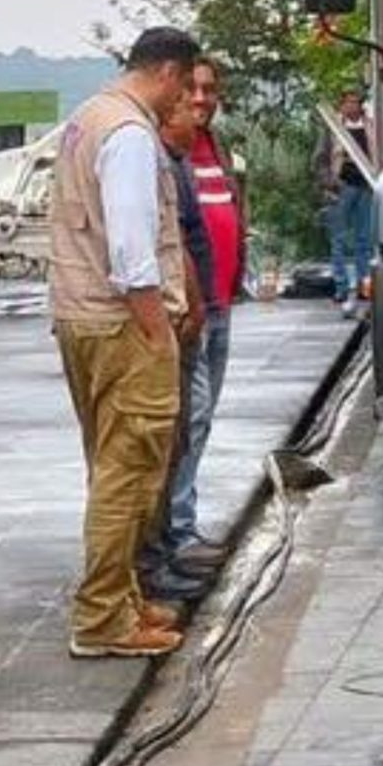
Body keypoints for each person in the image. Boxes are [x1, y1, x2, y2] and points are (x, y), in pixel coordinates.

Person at [52, 28, 200, 660]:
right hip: (123, 323)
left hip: (79, 317)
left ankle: (123, 598)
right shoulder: (131, 137)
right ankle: (102, 617)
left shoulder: (88, 118)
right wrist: (157, 330)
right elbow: (133, 253)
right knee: (131, 471)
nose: (187, 99)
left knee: (111, 462)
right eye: (186, 85)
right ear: (166, 72)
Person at [152, 58, 242, 584]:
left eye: (211, 89)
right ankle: (175, 535)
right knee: (188, 417)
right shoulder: (169, 153)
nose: (203, 99)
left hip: (220, 302)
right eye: (194, 89)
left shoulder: (216, 149)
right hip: (190, 311)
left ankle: (183, 525)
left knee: (201, 422)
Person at [318, 89, 375, 317]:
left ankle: (364, 286)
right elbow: (320, 158)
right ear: (341, 106)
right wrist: (329, 182)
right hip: (341, 187)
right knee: (339, 240)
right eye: (347, 102)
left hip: (366, 187)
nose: (352, 106)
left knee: (365, 241)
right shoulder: (333, 128)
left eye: (355, 102)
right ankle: (341, 288)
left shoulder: (371, 126)